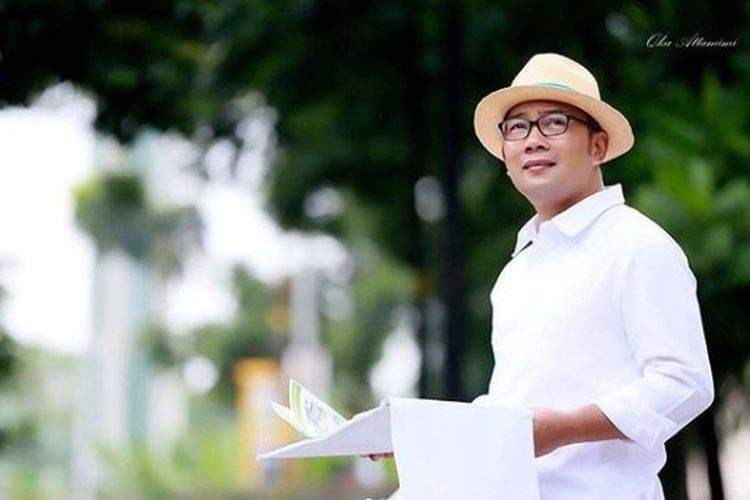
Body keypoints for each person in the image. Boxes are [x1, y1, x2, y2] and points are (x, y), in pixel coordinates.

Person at [469, 53, 714, 499]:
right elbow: (513, 407)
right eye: (517, 127)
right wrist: (417, 433)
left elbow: (685, 382)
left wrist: (565, 428)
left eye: (554, 123)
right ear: (505, 154)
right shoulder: (516, 271)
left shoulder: (638, 245)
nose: (533, 140)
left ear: (598, 147)